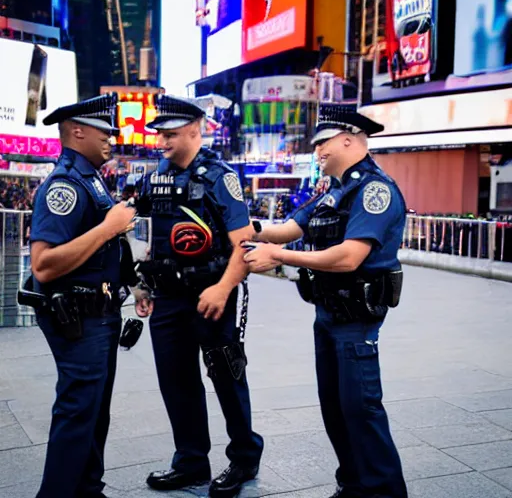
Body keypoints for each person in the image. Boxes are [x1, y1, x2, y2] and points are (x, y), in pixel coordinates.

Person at [243, 103, 408, 498]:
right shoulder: (335, 191)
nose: (317, 151)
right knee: (336, 410)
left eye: (323, 143)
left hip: (356, 319)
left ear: (349, 139)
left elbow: (350, 256)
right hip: (328, 316)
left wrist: (279, 257)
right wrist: (245, 226)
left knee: (362, 411)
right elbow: (287, 229)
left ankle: (383, 492)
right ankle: (352, 486)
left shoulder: (374, 190)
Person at [133, 95, 263, 497]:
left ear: (195, 129)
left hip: (210, 297)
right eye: (160, 136)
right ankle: (190, 462)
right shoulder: (154, 178)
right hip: (168, 299)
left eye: (170, 135)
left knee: (227, 377)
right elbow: (142, 232)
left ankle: (243, 458)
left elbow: (244, 244)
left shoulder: (219, 178)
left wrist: (223, 289)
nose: (162, 143)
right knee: (176, 381)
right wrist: (140, 282)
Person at [21, 93, 136, 498]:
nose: (112, 138)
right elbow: (44, 264)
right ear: (76, 131)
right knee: (77, 413)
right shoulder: (65, 185)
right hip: (78, 319)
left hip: (99, 315)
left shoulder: (90, 178)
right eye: (104, 131)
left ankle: (88, 490)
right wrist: (109, 228)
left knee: (93, 412)